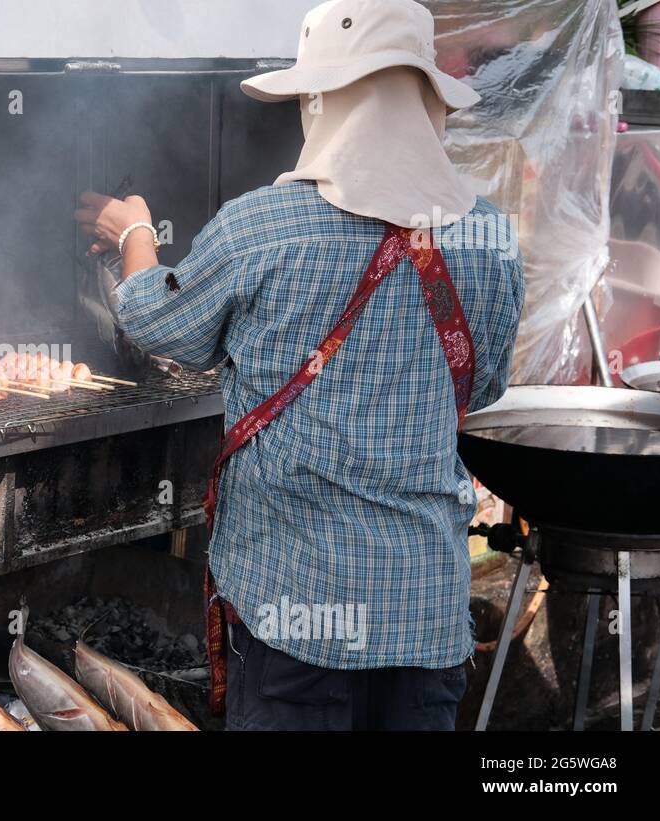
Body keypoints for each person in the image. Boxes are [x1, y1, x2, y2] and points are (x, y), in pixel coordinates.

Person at [74, 0, 525, 730]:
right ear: (423, 105)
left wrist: (133, 230)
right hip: (425, 617)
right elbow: (485, 383)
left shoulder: (264, 227)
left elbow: (161, 322)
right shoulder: (491, 239)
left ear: (325, 103)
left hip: (297, 622)